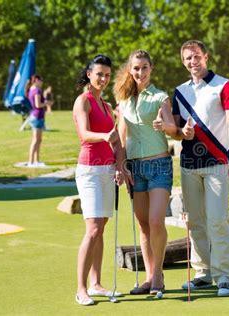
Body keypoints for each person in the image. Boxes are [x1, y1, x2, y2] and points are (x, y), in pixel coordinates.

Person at [170, 40, 229, 297]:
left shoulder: (224, 85)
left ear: (206, 57)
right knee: (196, 223)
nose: (193, 62)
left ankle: (225, 278)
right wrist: (183, 132)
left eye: (197, 56)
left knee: (217, 221)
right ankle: (203, 274)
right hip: (189, 165)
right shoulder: (179, 91)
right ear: (183, 61)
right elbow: (177, 130)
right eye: (188, 58)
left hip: (218, 164)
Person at [114, 49, 176, 295]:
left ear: (152, 68)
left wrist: (166, 126)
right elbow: (121, 135)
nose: (140, 72)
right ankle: (150, 277)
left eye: (145, 68)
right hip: (135, 168)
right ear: (130, 69)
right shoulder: (123, 100)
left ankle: (158, 275)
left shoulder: (160, 97)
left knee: (155, 220)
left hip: (159, 165)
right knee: (143, 225)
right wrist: (120, 164)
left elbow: (172, 127)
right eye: (136, 68)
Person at [72, 54, 125, 306]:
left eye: (106, 74)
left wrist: (119, 164)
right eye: (99, 74)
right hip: (90, 171)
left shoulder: (105, 106)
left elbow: (116, 141)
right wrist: (106, 136)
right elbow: (84, 135)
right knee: (92, 229)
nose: (103, 78)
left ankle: (96, 283)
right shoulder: (83, 101)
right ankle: (81, 289)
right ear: (89, 74)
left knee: (100, 230)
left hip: (106, 171)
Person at [25, 74, 47, 167]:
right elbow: (38, 105)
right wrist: (46, 103)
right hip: (37, 116)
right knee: (35, 140)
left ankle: (36, 161)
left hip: (35, 116)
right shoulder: (37, 90)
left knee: (38, 139)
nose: (42, 82)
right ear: (36, 80)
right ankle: (31, 162)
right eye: (41, 80)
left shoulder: (31, 90)